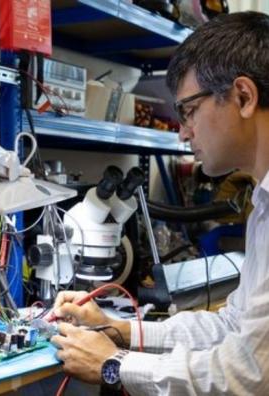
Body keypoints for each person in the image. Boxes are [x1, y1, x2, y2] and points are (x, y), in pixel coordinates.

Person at [51, 11, 269, 395]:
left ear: (243, 96)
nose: (183, 132)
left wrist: (113, 365)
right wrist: (120, 330)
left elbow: (249, 374)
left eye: (188, 110)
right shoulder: (263, 203)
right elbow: (233, 326)